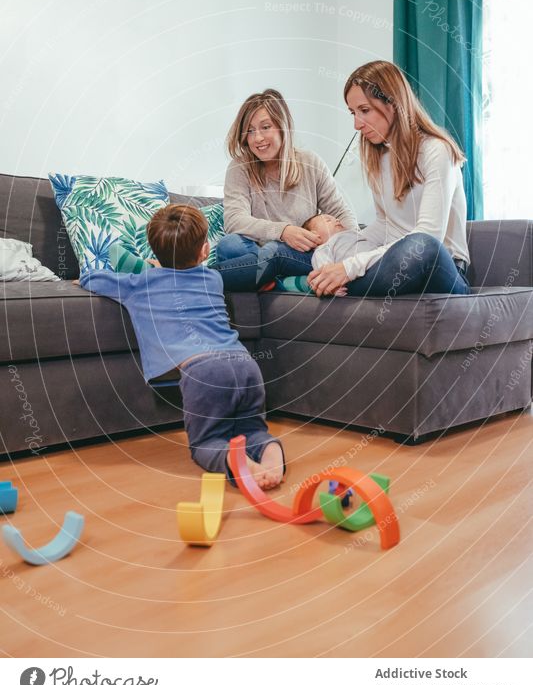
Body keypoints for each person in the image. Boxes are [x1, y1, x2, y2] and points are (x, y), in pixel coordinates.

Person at [78, 205, 285, 490]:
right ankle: (271, 457)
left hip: (204, 372)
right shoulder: (213, 279)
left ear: (154, 252)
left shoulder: (140, 284)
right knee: (252, 430)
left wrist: (149, 268)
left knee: (206, 442)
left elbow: (93, 277)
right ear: (204, 251)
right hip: (245, 364)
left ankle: (241, 467)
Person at [308, 60, 471, 298]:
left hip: (439, 268)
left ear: (393, 103)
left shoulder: (437, 150)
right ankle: (330, 281)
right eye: (353, 113)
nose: (356, 124)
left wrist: (350, 267)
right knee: (330, 249)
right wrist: (333, 251)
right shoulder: (379, 155)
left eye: (364, 110)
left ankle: (331, 286)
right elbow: (385, 225)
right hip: (394, 263)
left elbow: (428, 235)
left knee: (421, 246)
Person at [213, 88, 357, 291]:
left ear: (283, 127)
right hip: (254, 252)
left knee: (275, 252)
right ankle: (278, 283)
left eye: (265, 127)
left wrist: (352, 255)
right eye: (250, 131)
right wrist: (283, 231)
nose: (258, 138)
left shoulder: (310, 163)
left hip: (298, 256)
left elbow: (341, 212)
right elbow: (234, 220)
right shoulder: (240, 168)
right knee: (230, 245)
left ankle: (190, 278)